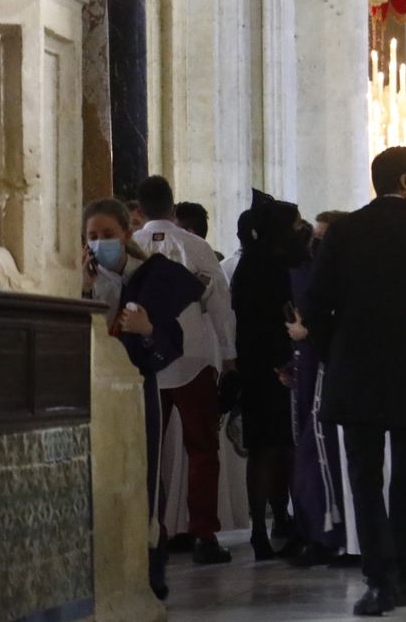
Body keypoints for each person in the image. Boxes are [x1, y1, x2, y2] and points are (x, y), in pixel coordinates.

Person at [305, 146, 406, 616]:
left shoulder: (344, 233)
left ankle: (377, 582)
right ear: (403, 181)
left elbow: (315, 306)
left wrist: (336, 352)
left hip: (353, 373)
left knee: (364, 479)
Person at [83, 197, 205, 601]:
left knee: (146, 472)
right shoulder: (83, 277)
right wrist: (84, 292)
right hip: (92, 391)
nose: (101, 244)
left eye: (108, 235)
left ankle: (152, 561)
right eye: (93, 237)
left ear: (126, 234)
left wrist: (149, 328)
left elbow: (171, 343)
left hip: (137, 387)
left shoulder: (152, 276)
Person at [135, 174, 237, 565]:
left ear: (139, 209)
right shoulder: (196, 246)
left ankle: (148, 531)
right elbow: (219, 305)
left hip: (145, 363)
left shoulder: (132, 246)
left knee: (146, 452)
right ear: (173, 207)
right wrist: (227, 356)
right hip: (194, 359)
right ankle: (204, 534)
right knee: (202, 449)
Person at [231, 191, 304, 560]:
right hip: (279, 366)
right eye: (294, 225)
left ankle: (264, 526)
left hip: (255, 365)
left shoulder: (250, 264)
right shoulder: (276, 267)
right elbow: (285, 316)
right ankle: (277, 522)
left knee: (266, 448)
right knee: (280, 447)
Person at [284, 209, 349, 568]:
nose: (318, 242)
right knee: (305, 449)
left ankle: (330, 533)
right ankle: (313, 530)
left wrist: (309, 333)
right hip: (308, 365)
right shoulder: (311, 271)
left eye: (325, 236)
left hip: (331, 366)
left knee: (317, 451)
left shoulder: (347, 272)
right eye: (316, 236)